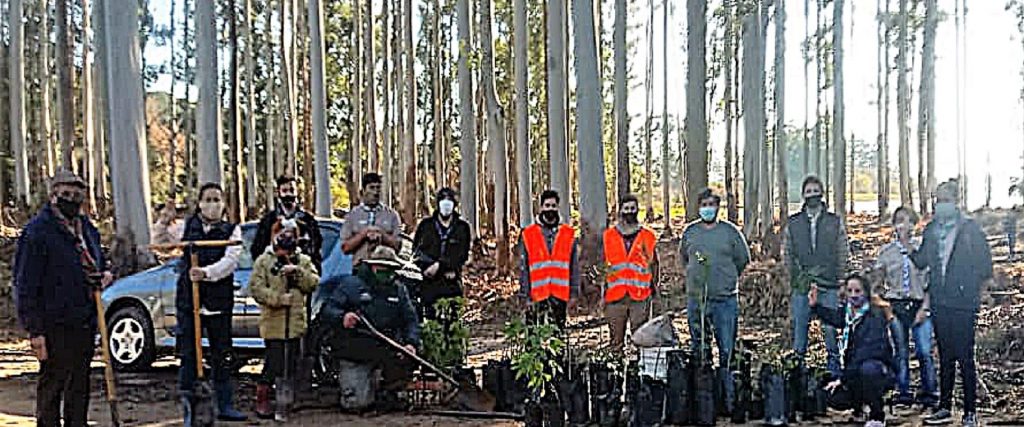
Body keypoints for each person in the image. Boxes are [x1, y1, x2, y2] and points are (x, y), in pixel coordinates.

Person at [14, 170, 114, 427]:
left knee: (79, 387)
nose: (72, 199)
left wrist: (104, 276)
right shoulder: (38, 232)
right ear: (54, 195)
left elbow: (99, 263)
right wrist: (34, 330)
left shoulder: (87, 229)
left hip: (84, 318)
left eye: (77, 195)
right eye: (66, 194)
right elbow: (25, 283)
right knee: (52, 388)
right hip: (52, 323)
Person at [152, 182, 247, 424]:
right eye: (208, 199)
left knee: (221, 353)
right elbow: (163, 243)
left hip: (218, 300)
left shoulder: (232, 230)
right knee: (188, 355)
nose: (212, 204)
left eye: (217, 199)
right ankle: (189, 407)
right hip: (188, 302)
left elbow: (231, 261)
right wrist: (164, 221)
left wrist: (206, 273)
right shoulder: (186, 227)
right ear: (200, 203)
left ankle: (224, 404)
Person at [912, 180, 993, 427]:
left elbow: (985, 266)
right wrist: (906, 245)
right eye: (938, 200)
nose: (940, 205)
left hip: (964, 303)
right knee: (945, 356)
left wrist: (980, 293)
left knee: (965, 356)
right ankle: (944, 406)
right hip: (940, 301)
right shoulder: (931, 229)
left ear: (956, 201)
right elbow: (922, 261)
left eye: (945, 199)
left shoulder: (970, 230)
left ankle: (970, 411)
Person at [318, 246, 421, 409]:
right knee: (356, 404)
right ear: (372, 266)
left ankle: (388, 390)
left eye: (390, 268)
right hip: (355, 351)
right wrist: (342, 317)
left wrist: (411, 343)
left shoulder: (399, 289)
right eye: (382, 267)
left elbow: (411, 320)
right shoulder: (351, 285)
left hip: (386, 347)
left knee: (409, 357)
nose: (386, 272)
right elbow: (327, 310)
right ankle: (358, 387)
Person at [679, 188, 751, 412]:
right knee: (699, 347)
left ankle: (727, 400)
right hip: (697, 299)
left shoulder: (730, 232)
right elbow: (684, 258)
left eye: (711, 204)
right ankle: (704, 401)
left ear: (717, 207)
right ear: (698, 207)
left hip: (724, 299)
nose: (707, 208)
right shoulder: (690, 232)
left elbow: (743, 259)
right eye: (704, 204)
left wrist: (727, 278)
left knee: (726, 349)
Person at [250, 220, 320, 419]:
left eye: (291, 234)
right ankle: (263, 397)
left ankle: (286, 401)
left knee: (292, 362)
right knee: (274, 362)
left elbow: (313, 283)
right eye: (282, 233)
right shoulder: (264, 261)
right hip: (274, 323)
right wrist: (278, 299)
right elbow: (256, 289)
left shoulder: (303, 260)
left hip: (295, 323)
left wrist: (296, 272)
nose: (286, 237)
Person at [870, 206, 938, 408]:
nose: (904, 224)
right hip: (896, 305)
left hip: (919, 304)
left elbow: (931, 283)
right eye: (900, 220)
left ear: (915, 224)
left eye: (909, 220)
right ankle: (903, 392)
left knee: (924, 350)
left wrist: (925, 308)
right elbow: (877, 285)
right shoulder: (886, 252)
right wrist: (884, 306)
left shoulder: (922, 250)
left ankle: (930, 392)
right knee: (900, 351)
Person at [785, 175, 850, 376]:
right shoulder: (793, 223)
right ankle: (798, 374)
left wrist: (842, 280)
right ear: (803, 195)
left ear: (821, 194)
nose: (812, 195)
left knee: (830, 331)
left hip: (829, 283)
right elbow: (787, 253)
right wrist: (793, 279)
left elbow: (842, 250)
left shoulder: (833, 221)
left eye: (815, 191)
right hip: (802, 284)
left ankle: (834, 373)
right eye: (808, 192)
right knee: (800, 330)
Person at [811, 274, 896, 427]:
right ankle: (858, 408)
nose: (853, 295)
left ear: (866, 292)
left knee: (868, 369)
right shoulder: (848, 313)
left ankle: (877, 414)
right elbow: (835, 318)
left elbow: (866, 353)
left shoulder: (874, 316)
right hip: (854, 371)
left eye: (858, 291)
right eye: (850, 291)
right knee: (831, 395)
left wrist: (842, 379)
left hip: (878, 370)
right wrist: (816, 306)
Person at [603, 193, 660, 351]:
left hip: (640, 296)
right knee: (616, 342)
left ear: (637, 210)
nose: (629, 212)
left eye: (632, 208)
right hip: (615, 296)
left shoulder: (647, 236)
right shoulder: (608, 236)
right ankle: (616, 372)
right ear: (620, 211)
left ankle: (639, 371)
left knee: (641, 338)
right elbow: (602, 265)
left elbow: (654, 263)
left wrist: (653, 287)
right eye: (626, 208)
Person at [518, 189, 580, 329]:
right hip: (536, 294)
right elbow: (524, 268)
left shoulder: (568, 234)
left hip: (559, 294)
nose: (550, 209)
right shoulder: (528, 234)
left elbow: (574, 266)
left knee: (557, 337)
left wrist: (574, 292)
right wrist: (525, 295)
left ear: (558, 207)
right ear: (541, 208)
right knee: (533, 337)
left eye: (553, 206)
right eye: (547, 206)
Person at [412, 187, 472, 320]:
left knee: (452, 322)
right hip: (428, 283)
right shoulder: (425, 226)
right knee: (431, 320)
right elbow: (417, 251)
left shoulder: (462, 228)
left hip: (451, 282)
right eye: (443, 200)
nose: (446, 204)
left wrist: (441, 265)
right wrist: (426, 267)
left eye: (449, 200)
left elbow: (462, 254)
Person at [251, 176, 324, 272]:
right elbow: (257, 249)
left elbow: (316, 247)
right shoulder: (268, 221)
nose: (289, 194)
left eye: (292, 190)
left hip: (302, 272)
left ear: (297, 192)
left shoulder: (308, 220)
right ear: (278, 193)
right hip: (276, 275)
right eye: (285, 191)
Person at [340, 173, 403, 267]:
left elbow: (398, 246)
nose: (375, 192)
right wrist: (363, 234)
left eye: (378, 188)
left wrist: (382, 235)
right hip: (360, 267)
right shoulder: (352, 216)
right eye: (372, 188)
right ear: (363, 191)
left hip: (386, 268)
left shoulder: (392, 215)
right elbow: (345, 248)